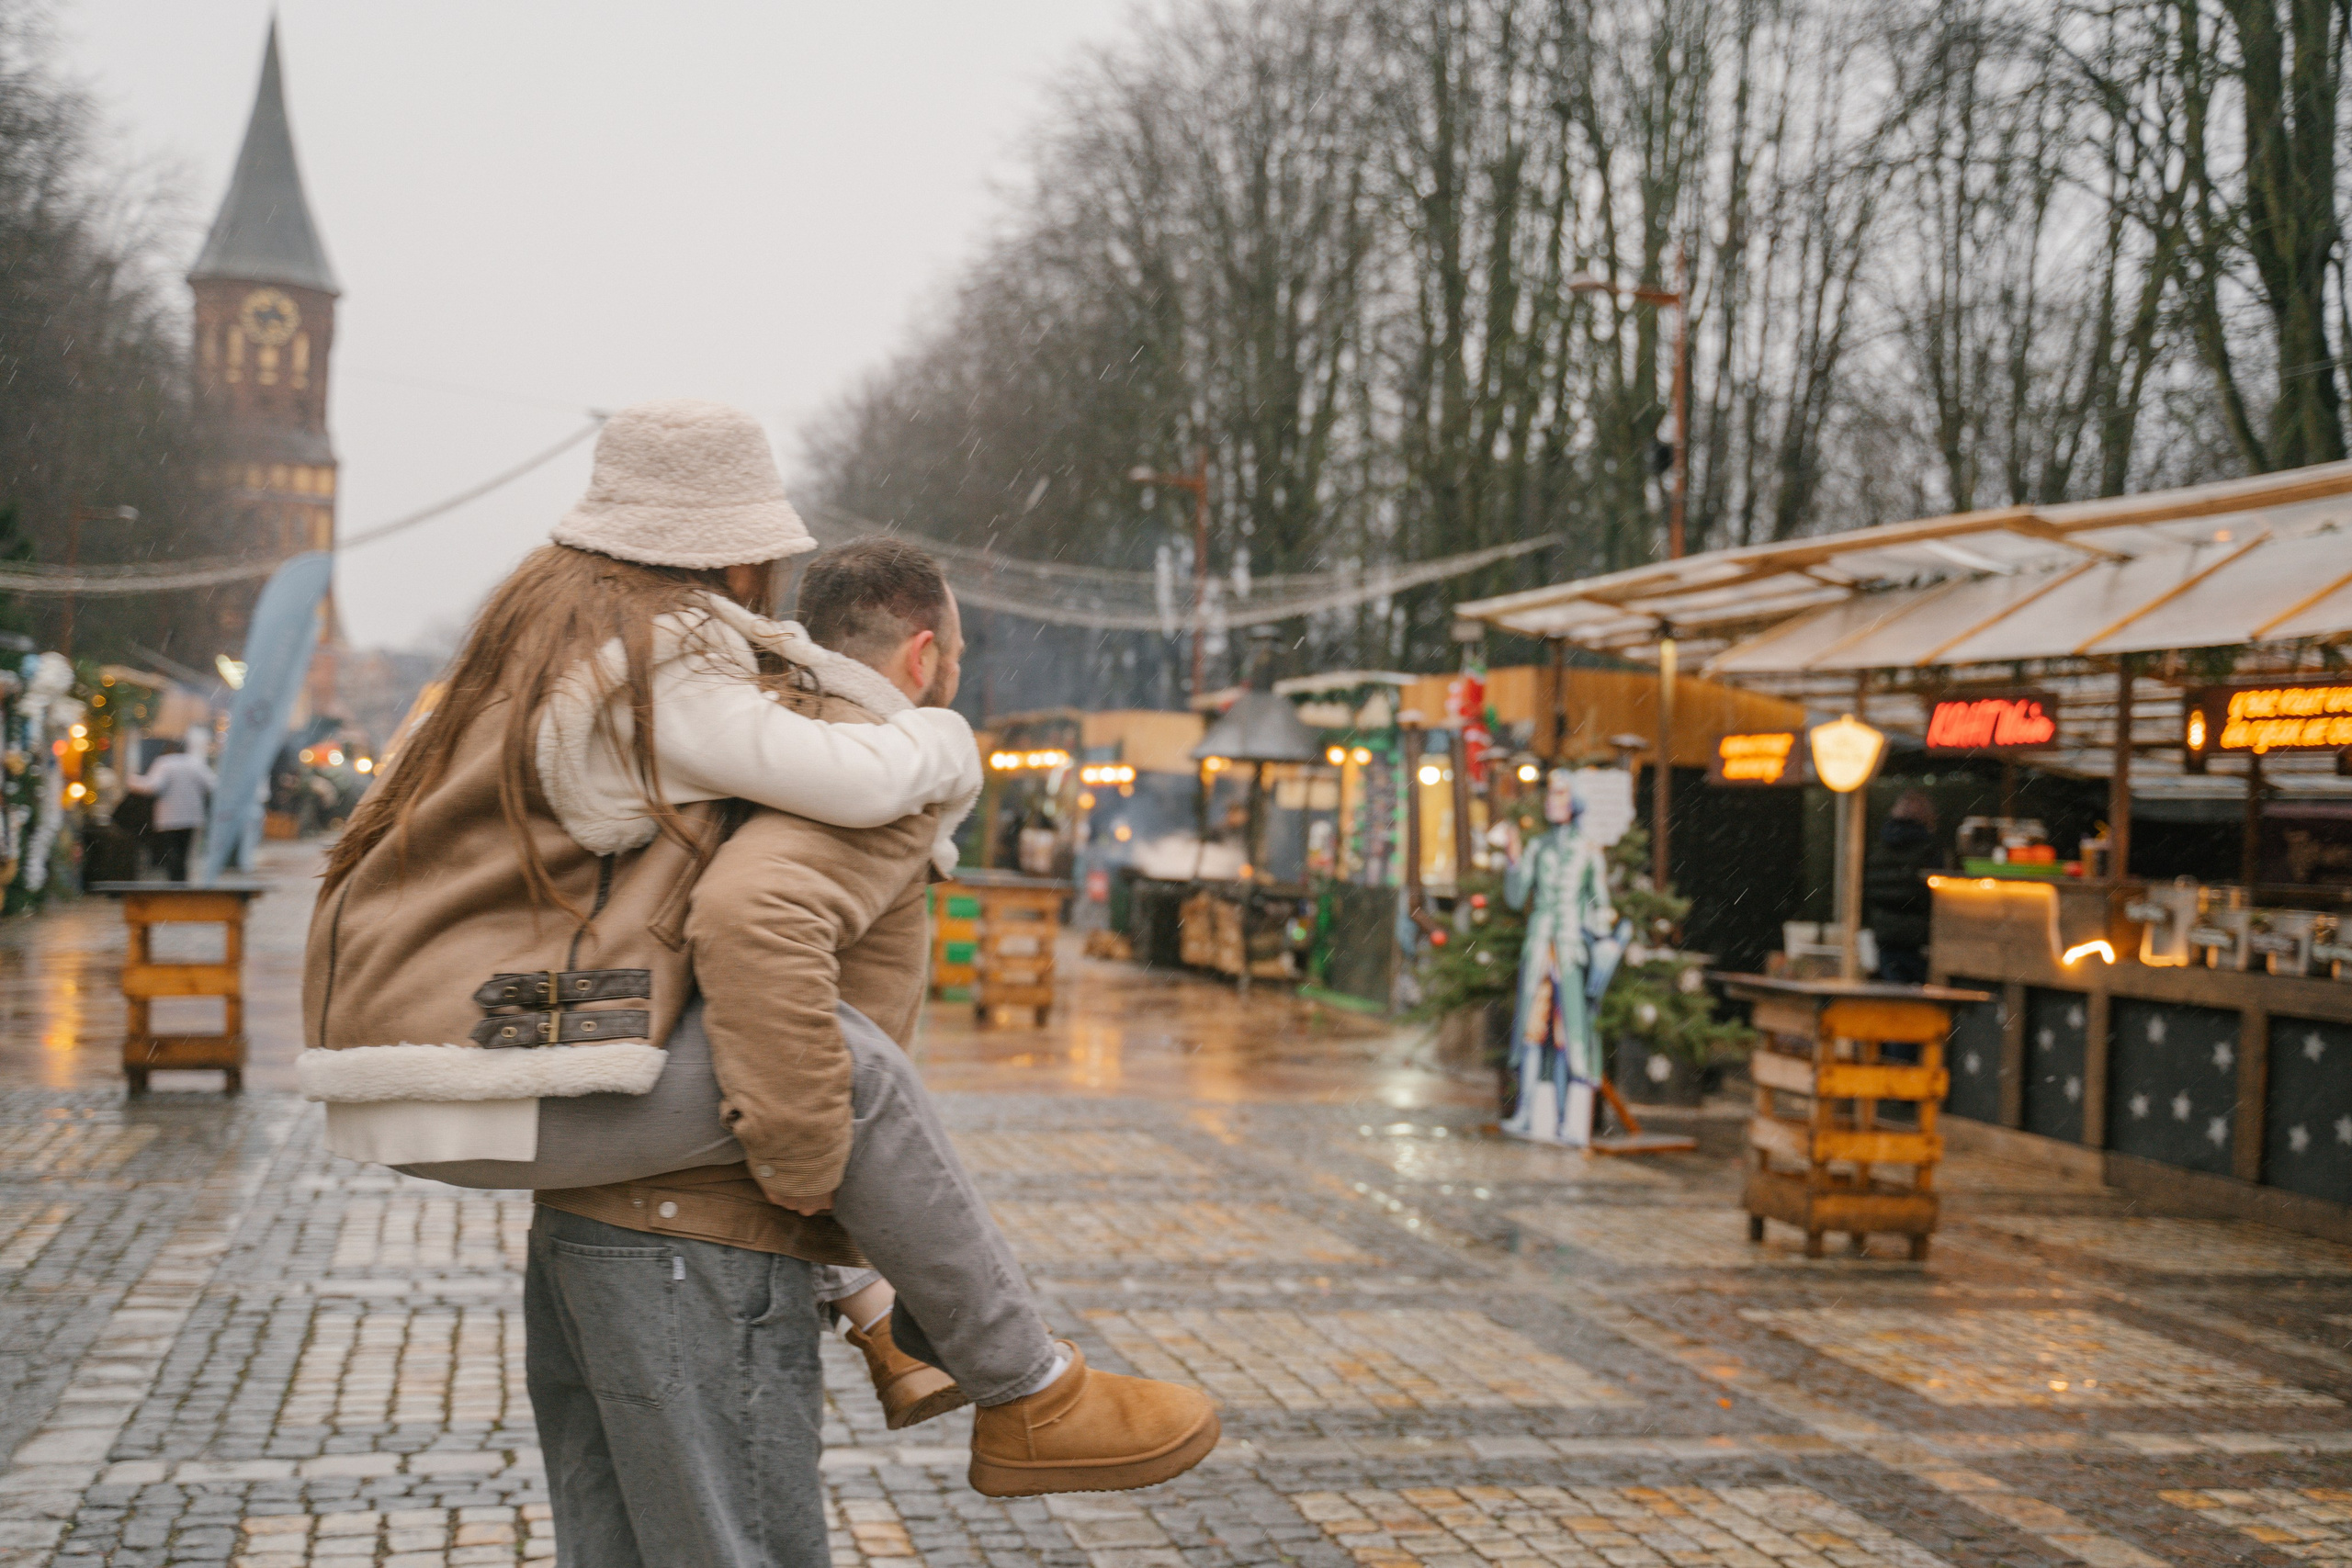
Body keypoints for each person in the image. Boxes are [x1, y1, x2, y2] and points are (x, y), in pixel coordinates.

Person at [1867, 789, 1944, 985]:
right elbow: (1933, 892)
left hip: (1885, 933)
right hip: (1917, 937)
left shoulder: (1880, 847)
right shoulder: (1928, 848)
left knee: (1894, 990)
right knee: (1920, 992)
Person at [127, 739, 214, 881]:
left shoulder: (164, 763)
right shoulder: (195, 764)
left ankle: (174, 882)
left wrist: (133, 781)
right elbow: (211, 785)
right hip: (191, 816)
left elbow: (153, 786)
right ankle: (183, 881)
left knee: (171, 852)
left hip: (169, 817)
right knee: (184, 852)